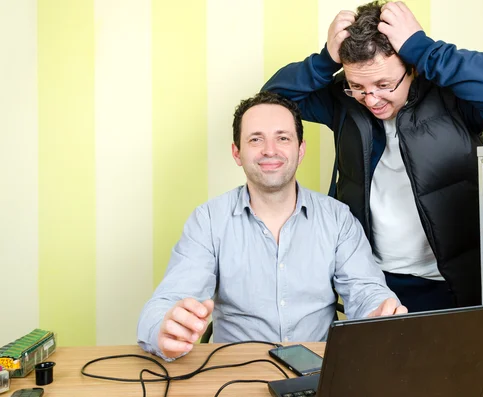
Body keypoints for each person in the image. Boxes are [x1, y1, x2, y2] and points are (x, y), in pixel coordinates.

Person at [262, 1, 483, 312]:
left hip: (450, 282)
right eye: (358, 87)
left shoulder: (453, 99)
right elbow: (270, 103)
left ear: (412, 68)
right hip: (371, 280)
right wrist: (324, 61)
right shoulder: (344, 102)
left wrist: (423, 49)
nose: (372, 99)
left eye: (384, 84)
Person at [137, 91, 406, 361]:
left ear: (300, 150)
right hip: (233, 373)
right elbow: (167, 301)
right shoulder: (207, 221)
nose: (270, 150)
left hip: (318, 373)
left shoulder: (338, 219)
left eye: (283, 138)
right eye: (256, 139)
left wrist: (378, 312)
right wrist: (163, 329)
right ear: (237, 152)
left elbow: (366, 291)